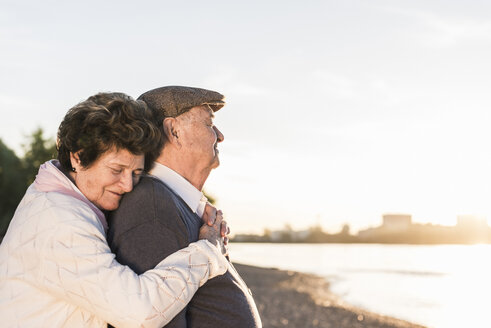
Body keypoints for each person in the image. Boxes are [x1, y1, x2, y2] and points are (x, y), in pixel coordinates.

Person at [0, 92, 229, 328]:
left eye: (136, 173)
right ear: (78, 157)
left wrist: (195, 207)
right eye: (117, 169)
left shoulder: (63, 197)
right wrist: (208, 251)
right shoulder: (59, 222)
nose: (128, 185)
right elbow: (140, 313)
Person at [108, 86, 262, 327]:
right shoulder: (151, 207)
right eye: (209, 124)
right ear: (174, 131)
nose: (220, 136)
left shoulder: (173, 202)